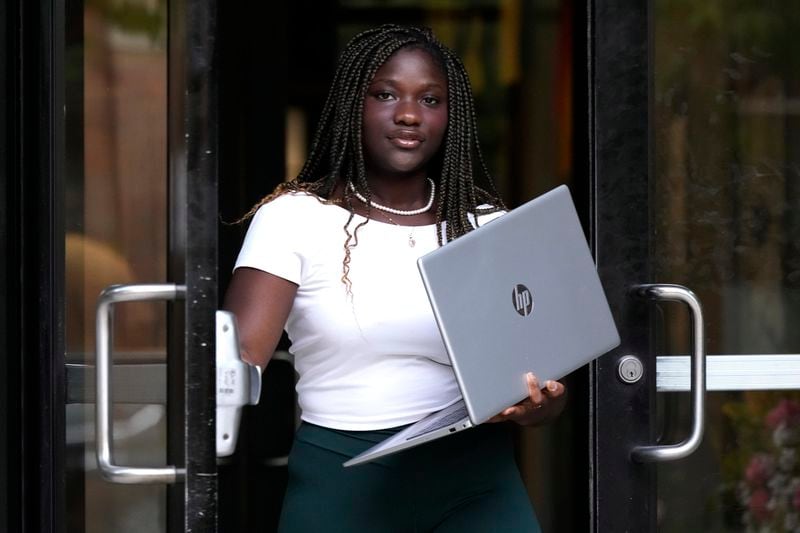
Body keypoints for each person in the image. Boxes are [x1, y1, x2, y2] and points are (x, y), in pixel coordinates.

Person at [224, 24, 567, 532]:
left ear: (451, 117)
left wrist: (537, 405)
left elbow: (537, 393)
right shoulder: (294, 218)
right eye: (385, 94)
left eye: (430, 99)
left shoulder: (487, 226)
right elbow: (235, 360)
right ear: (351, 106)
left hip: (476, 479)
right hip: (344, 481)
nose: (409, 114)